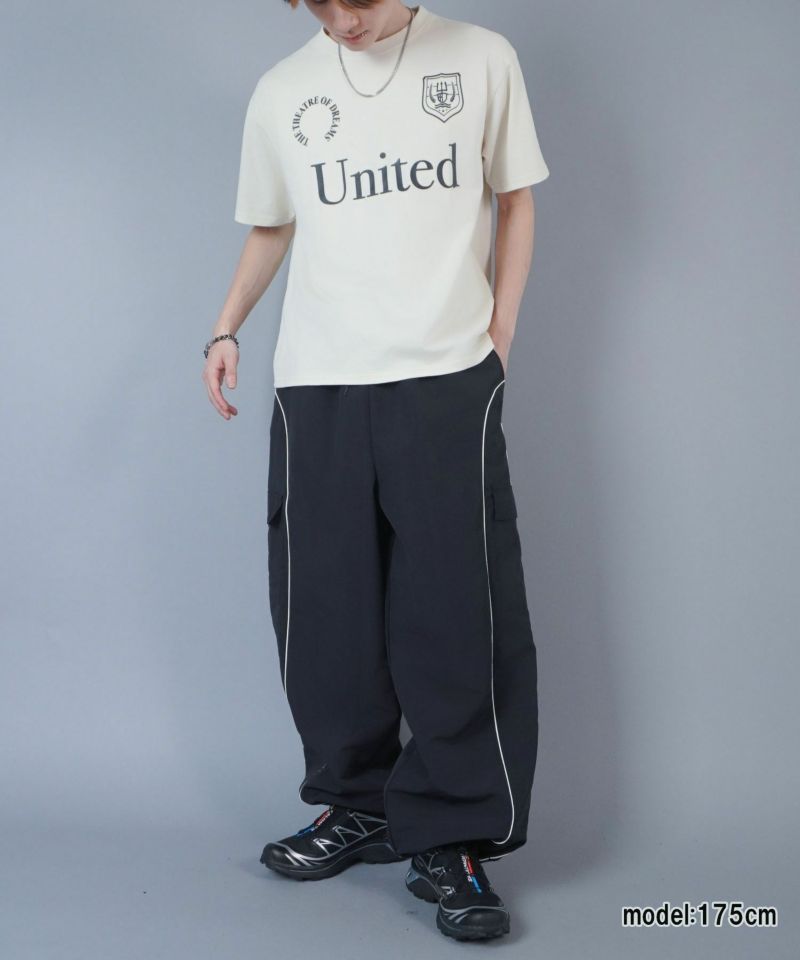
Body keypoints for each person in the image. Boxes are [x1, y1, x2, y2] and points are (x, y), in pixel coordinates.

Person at [202, 0, 549, 942]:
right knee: (327, 612)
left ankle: (453, 836)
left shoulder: (479, 58)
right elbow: (272, 225)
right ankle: (358, 805)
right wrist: (225, 327)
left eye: (351, 1)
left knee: (453, 610)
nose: (340, 21)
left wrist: (499, 338)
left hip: (444, 374)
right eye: (317, 5)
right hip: (317, 380)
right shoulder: (283, 90)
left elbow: (515, 199)